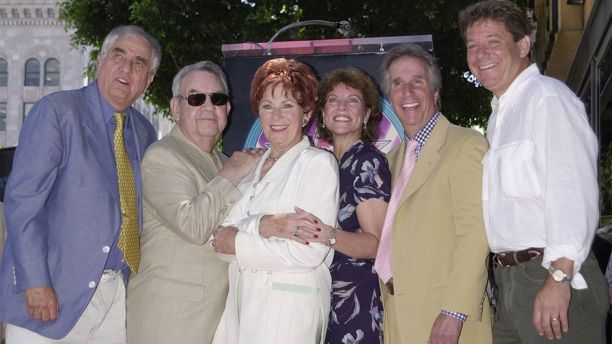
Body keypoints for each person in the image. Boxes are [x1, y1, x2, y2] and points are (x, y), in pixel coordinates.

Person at [459, 1, 608, 342]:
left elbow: (572, 191)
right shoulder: (501, 116)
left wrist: (559, 277)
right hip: (511, 282)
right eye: (472, 46)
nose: (481, 54)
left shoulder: (547, 99)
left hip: (551, 274)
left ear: (523, 45)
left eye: (493, 42)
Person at [0, 25, 160, 343]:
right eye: (119, 56)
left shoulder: (143, 133)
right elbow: (23, 203)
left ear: (148, 80)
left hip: (116, 300)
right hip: (50, 298)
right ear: (100, 61)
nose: (127, 69)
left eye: (139, 63)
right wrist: (35, 282)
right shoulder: (57, 113)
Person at [126, 61, 261, 343]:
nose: (208, 106)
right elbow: (192, 225)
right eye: (196, 98)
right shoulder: (163, 156)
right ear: (176, 108)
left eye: (218, 98)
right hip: (170, 321)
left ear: (228, 108)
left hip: (220, 320)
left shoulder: (224, 161)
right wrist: (234, 172)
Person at [211, 58, 340, 344]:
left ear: (306, 113)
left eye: (288, 106)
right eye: (268, 107)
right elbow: (219, 242)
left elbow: (309, 252)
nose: (276, 116)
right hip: (241, 311)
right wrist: (267, 225)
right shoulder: (253, 166)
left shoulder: (317, 164)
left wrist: (240, 240)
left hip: (287, 317)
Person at [375, 43, 491, 344]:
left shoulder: (466, 145)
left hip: (443, 319)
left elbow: (475, 235)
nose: (407, 93)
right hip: (397, 314)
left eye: (417, 81)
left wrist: (454, 313)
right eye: (397, 84)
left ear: (435, 92)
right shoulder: (392, 161)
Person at [298, 68, 391, 343]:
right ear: (323, 114)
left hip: (354, 302)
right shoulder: (320, 162)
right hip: (319, 296)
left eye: (352, 100)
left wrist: (324, 234)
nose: (342, 107)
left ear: (365, 115)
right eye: (333, 100)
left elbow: (376, 244)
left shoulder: (367, 162)